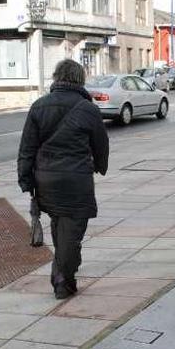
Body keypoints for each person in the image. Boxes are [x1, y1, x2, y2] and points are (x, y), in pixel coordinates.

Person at [17, 60, 109, 299]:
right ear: (80, 80)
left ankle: (65, 274)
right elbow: (101, 144)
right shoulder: (88, 109)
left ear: (57, 77)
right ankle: (62, 281)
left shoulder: (39, 106)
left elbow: (27, 148)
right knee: (72, 232)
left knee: (60, 226)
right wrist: (100, 165)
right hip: (76, 180)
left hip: (46, 180)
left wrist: (26, 180)